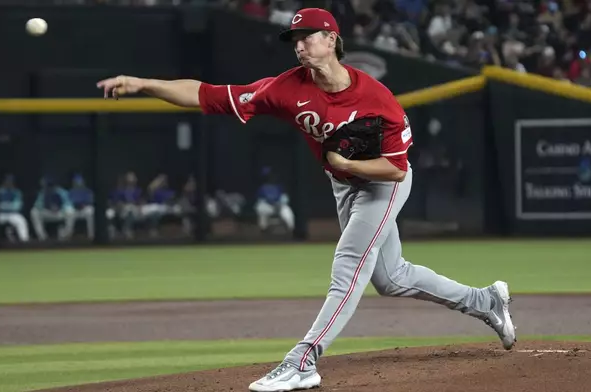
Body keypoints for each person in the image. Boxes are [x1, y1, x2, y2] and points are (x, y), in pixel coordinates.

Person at [96, 8, 516, 392]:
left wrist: (344, 163)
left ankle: (303, 360)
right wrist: (144, 84)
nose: (299, 45)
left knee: (348, 265)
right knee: (391, 278)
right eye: (294, 39)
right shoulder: (285, 88)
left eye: (307, 36)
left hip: (383, 184)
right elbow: (206, 94)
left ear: (331, 39)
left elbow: (396, 169)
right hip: (344, 183)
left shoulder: (377, 99)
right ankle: (485, 301)